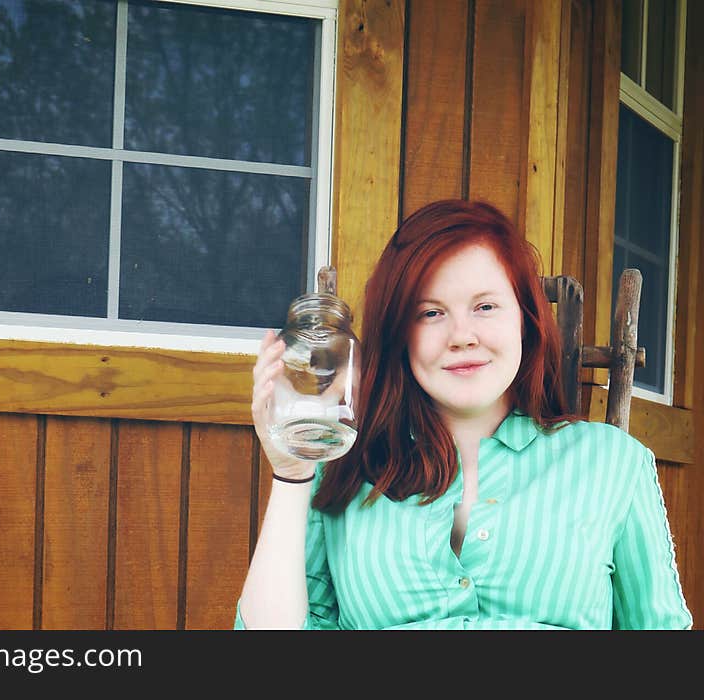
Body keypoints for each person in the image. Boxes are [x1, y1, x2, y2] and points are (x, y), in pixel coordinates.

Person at [236, 199, 692, 630]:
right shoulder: (343, 469)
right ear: (401, 335)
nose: (462, 336)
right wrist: (291, 473)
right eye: (431, 313)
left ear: (525, 319)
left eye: (485, 306)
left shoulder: (612, 463)